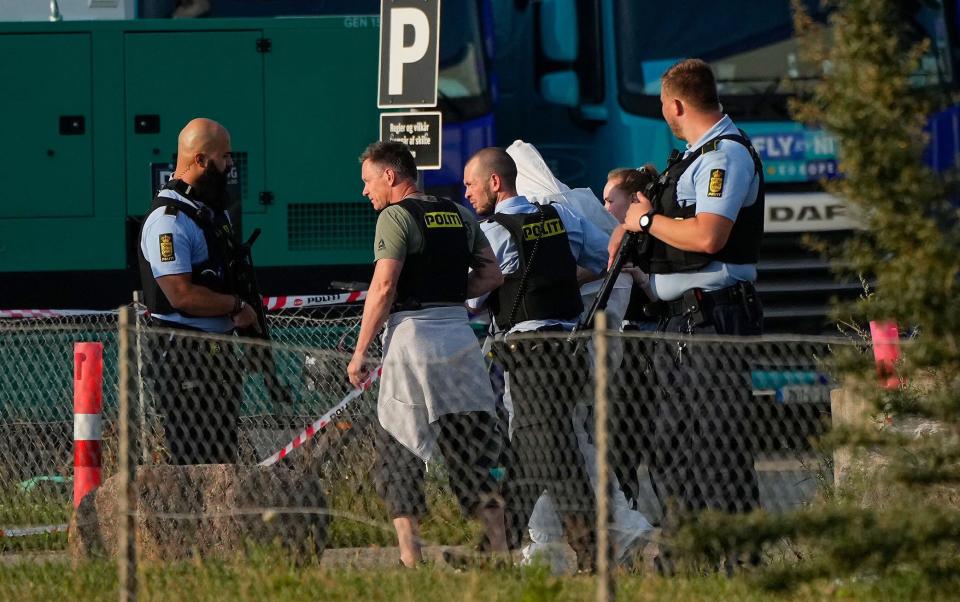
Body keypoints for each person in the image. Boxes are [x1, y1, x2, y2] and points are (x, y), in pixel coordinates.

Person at [610, 58, 765, 570]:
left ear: (676, 105)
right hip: (677, 323)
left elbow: (708, 237)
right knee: (672, 445)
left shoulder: (725, 157)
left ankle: (740, 562)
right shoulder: (693, 158)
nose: (663, 114)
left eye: (662, 106)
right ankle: (691, 556)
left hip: (713, 320)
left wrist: (647, 219)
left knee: (719, 445)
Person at [347, 141, 508, 568]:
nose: (365, 192)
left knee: (397, 446)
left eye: (367, 181)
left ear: (390, 176)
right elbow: (492, 274)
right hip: (459, 341)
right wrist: (453, 295)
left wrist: (360, 352)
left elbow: (383, 288)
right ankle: (499, 547)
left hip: (412, 342)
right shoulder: (458, 212)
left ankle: (410, 558)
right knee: (468, 450)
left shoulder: (394, 218)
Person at [464, 147, 609, 572]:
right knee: (534, 449)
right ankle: (496, 547)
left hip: (530, 355)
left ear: (495, 183)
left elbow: (475, 296)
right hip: (568, 350)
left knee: (550, 449)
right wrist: (559, 279)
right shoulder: (561, 218)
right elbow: (602, 258)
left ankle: (594, 550)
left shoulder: (493, 231)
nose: (467, 193)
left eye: (471, 184)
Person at [138, 117, 258, 465]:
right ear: (201, 160)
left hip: (216, 358)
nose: (231, 165)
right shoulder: (169, 220)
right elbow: (182, 295)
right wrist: (236, 305)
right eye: (225, 157)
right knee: (195, 463)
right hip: (184, 359)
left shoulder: (209, 213)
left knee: (222, 461)